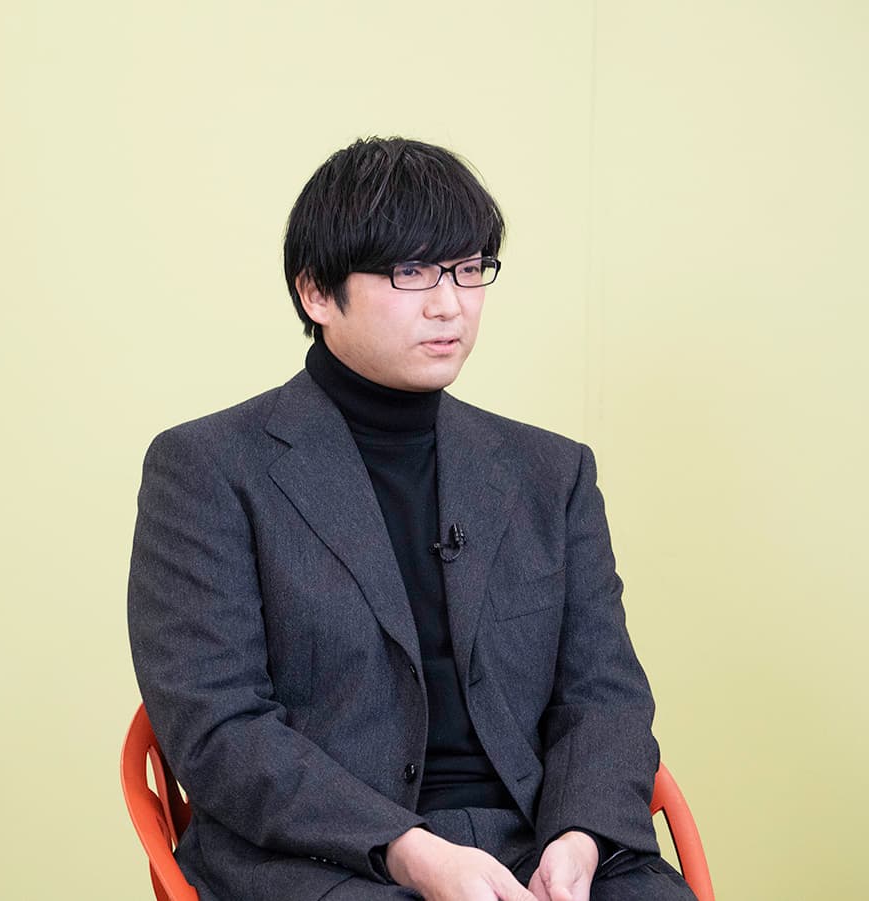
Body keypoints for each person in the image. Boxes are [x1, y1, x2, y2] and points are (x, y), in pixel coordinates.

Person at [128, 137, 696, 901]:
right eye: (412, 272)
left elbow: (605, 695)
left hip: (539, 839)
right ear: (316, 293)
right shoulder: (207, 467)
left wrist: (580, 837)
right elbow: (217, 727)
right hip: (325, 855)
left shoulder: (551, 473)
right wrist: (410, 850)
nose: (449, 303)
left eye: (469, 269)